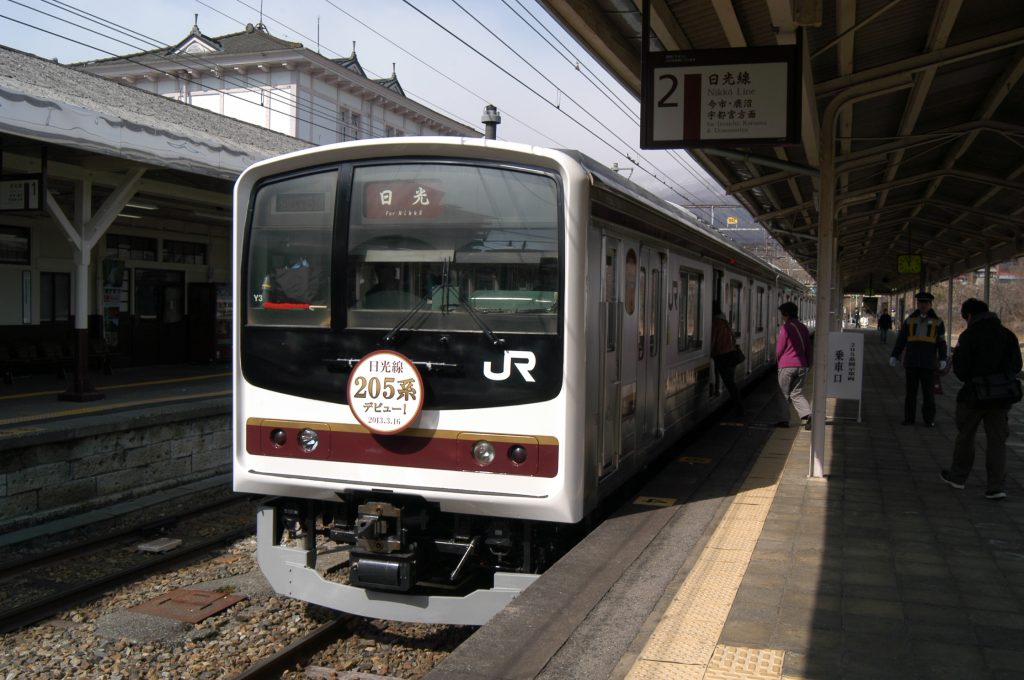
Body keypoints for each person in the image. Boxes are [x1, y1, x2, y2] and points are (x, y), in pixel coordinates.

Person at [940, 298, 1022, 499]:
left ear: (969, 316)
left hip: (974, 396)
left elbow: (961, 370)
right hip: (1001, 397)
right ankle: (996, 486)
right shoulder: (1008, 335)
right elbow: (1016, 365)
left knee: (966, 436)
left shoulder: (969, 336)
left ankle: (958, 477)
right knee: (997, 441)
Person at [890, 291, 947, 426]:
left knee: (928, 393)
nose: (923, 305)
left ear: (930, 304)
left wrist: (943, 358)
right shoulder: (909, 321)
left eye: (926, 303)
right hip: (912, 362)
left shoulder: (937, 322)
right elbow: (901, 340)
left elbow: (941, 342)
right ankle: (909, 418)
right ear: (917, 304)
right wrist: (894, 355)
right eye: (921, 303)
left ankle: (929, 419)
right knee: (910, 393)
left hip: (928, 363)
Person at [776, 301, 813, 430]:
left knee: (783, 393)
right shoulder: (803, 327)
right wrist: (808, 363)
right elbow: (809, 347)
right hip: (802, 365)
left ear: (786, 314)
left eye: (782, 314)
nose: (782, 317)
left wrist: (779, 361)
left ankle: (784, 421)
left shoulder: (785, 328)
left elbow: (780, 349)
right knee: (796, 393)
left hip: (787, 365)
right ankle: (808, 414)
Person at [710, 301, 743, 418]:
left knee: (729, 383)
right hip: (731, 355)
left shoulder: (715, 323)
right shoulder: (725, 322)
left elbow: (712, 341)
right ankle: (738, 407)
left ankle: (739, 408)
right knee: (731, 383)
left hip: (723, 356)